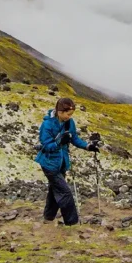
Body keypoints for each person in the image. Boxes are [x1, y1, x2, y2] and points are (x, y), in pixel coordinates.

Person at [35, 97, 101, 226]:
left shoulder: (69, 123)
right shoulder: (47, 125)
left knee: (55, 190)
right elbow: (46, 146)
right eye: (68, 114)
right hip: (49, 164)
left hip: (62, 163)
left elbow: (74, 138)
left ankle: (48, 218)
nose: (69, 117)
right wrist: (59, 142)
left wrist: (87, 146)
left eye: (71, 114)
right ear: (59, 112)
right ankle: (72, 223)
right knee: (65, 192)